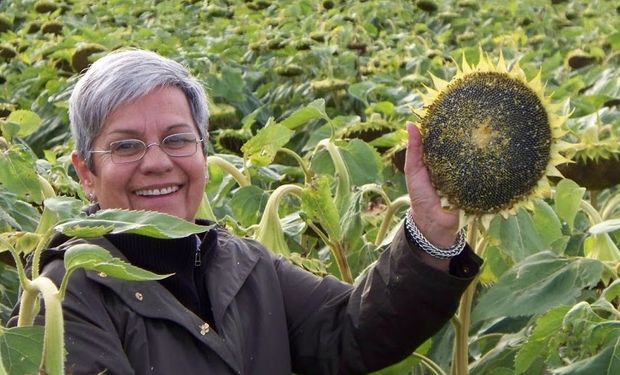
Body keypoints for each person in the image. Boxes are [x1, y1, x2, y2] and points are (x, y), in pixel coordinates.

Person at [19, 49, 481, 374]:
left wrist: (428, 233)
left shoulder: (243, 263)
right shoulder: (66, 296)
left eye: (178, 139)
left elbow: (351, 332)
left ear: (203, 152)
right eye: (126, 145)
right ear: (86, 172)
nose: (157, 161)